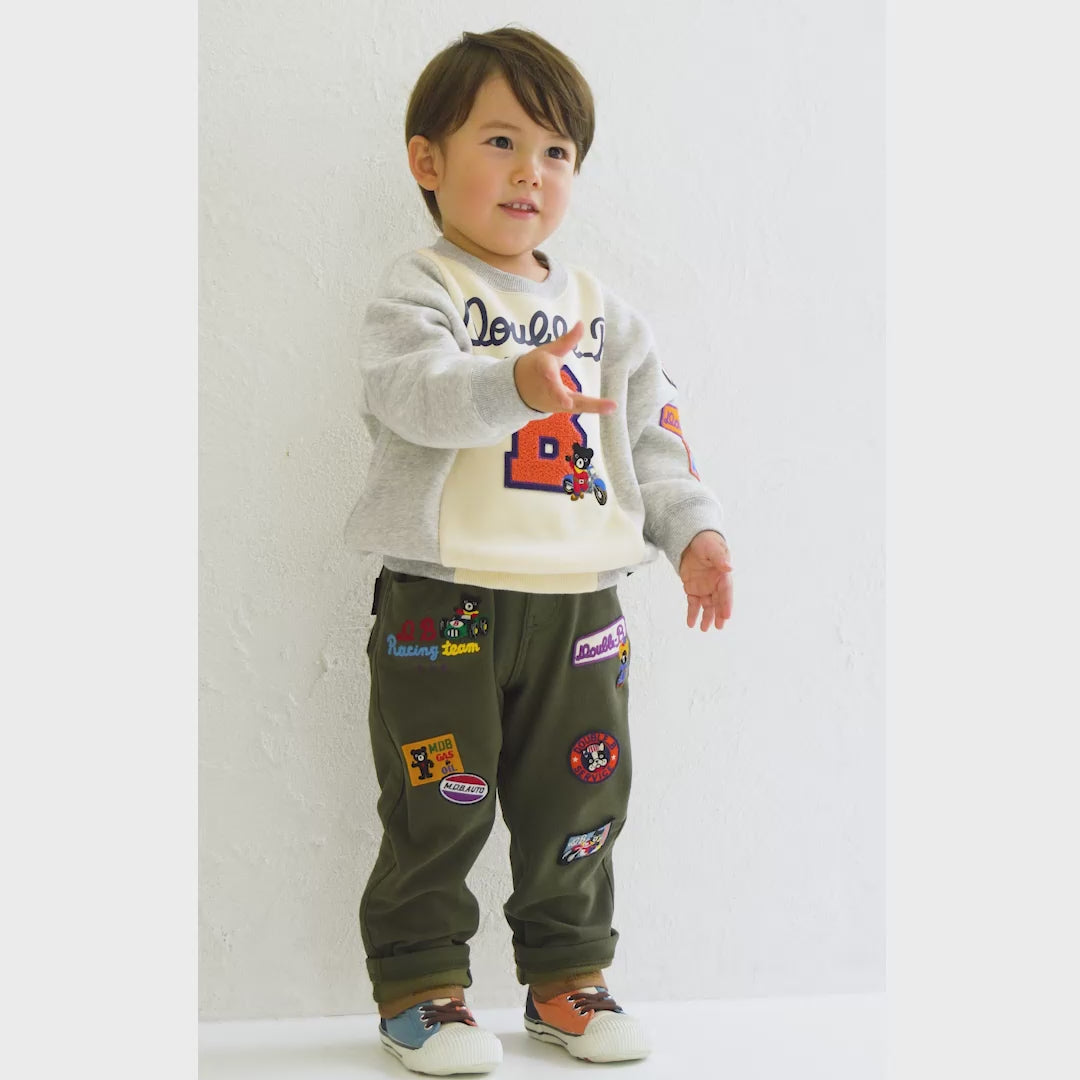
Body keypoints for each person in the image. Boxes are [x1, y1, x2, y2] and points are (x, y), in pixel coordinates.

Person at [345, 25, 734, 1075]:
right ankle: (421, 989)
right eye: (501, 141)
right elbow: (410, 397)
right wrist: (514, 382)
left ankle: (568, 980)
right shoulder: (420, 289)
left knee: (582, 797)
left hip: (578, 605)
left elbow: (653, 441)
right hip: (444, 599)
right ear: (428, 160)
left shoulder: (607, 317)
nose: (531, 171)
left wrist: (692, 530)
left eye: (556, 151)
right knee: (437, 801)